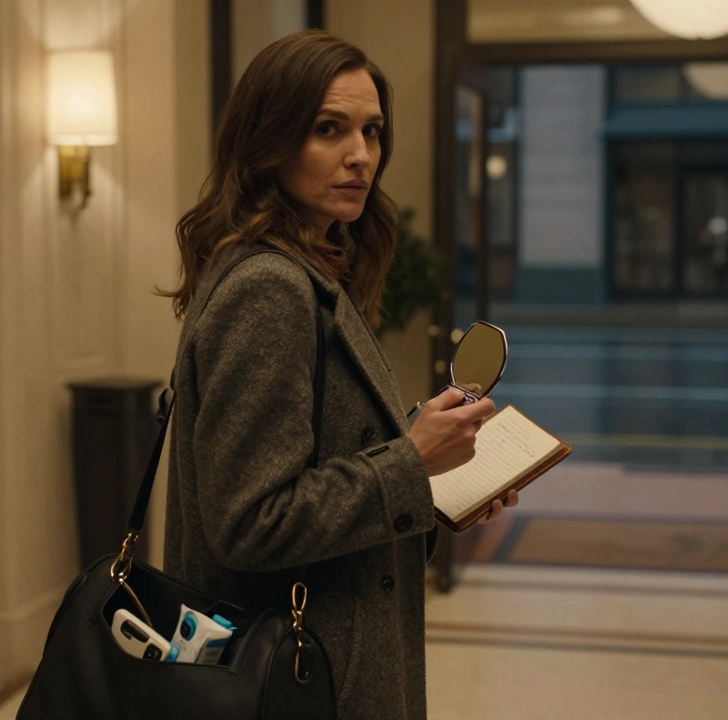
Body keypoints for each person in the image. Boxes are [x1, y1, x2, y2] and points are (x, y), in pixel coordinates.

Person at [160, 29, 516, 719]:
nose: (361, 157)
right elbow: (252, 522)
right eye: (329, 129)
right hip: (299, 680)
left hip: (326, 666)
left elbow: (326, 464)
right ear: (270, 139)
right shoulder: (270, 288)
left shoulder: (312, 273)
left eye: (372, 132)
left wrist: (435, 478)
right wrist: (411, 461)